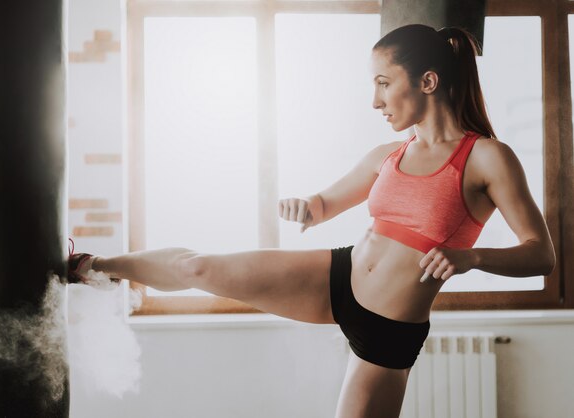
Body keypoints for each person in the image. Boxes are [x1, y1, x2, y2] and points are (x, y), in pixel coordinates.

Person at [68, 24, 556, 418]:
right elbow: (322, 205)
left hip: (388, 327)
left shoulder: (488, 158)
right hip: (337, 276)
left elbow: (541, 254)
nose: (375, 100)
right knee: (199, 268)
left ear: (428, 82)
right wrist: (305, 206)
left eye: (383, 83)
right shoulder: (389, 154)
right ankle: (95, 266)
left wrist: (470, 256)